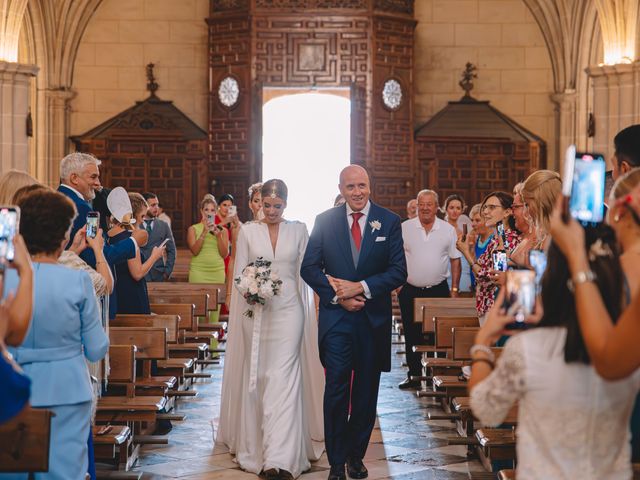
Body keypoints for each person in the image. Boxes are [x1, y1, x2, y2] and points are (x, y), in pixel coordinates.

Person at [468, 225, 640, 480]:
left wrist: (483, 343)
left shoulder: (530, 347)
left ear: (550, 279)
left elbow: (486, 409)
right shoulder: (627, 350)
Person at [301, 165, 407, 480]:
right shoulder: (325, 221)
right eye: (350, 187)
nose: (357, 192)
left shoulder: (389, 221)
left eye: (362, 185)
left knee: (365, 391)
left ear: (370, 186)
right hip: (337, 320)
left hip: (372, 321)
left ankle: (355, 456)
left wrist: (360, 287)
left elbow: (398, 271)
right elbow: (309, 268)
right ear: (341, 188)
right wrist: (338, 296)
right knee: (335, 388)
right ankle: (335, 461)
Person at [217, 179, 324, 479]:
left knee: (284, 378)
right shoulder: (248, 231)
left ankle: (283, 458)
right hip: (258, 312)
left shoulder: (299, 230)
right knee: (261, 377)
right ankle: (260, 450)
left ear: (286, 204)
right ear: (259, 203)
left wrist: (319, 302)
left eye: (277, 206)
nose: (272, 211)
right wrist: (250, 289)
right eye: (267, 206)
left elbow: (309, 270)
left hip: (290, 311)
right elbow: (240, 273)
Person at [3, 189, 109, 479]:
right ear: (64, 236)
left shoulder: (6, 279)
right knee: (64, 473)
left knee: (11, 470)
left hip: (12, 385)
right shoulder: (77, 281)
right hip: (66, 388)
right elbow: (96, 349)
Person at [397, 189, 462, 390]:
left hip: (438, 289)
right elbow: (395, 257)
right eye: (421, 204)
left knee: (438, 335)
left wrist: (454, 289)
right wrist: (399, 286)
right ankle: (414, 375)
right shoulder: (404, 227)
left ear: (436, 206)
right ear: (416, 206)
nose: (425, 208)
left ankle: (438, 376)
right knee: (411, 333)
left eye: (429, 204)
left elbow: (455, 260)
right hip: (410, 289)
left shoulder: (447, 230)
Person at [57, 152, 136, 268]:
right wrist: (134, 242)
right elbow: (96, 255)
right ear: (74, 178)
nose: (98, 183)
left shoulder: (55, 199)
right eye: (93, 177)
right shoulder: (83, 209)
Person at [456, 192, 519, 321]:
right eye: (485, 207)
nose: (485, 212)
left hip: (497, 307)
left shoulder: (509, 239)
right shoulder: (497, 239)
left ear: (507, 212)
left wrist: (466, 253)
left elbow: (491, 277)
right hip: (486, 306)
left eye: (491, 207)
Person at [107, 188, 165, 315]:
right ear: (132, 215)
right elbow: (137, 273)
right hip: (132, 295)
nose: (143, 220)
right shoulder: (131, 238)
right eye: (142, 216)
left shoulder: (109, 234)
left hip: (116, 293)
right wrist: (155, 256)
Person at [187, 195, 229, 326]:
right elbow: (195, 251)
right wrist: (205, 232)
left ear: (216, 212)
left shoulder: (223, 230)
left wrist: (218, 236)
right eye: (206, 210)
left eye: (212, 210)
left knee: (214, 311)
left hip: (216, 272)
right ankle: (196, 342)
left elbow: (224, 254)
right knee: (197, 310)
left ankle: (213, 345)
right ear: (201, 211)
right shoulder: (193, 229)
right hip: (198, 272)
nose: (209, 213)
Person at [521, 169, 562, 250]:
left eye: (527, 204)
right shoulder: (548, 234)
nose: (526, 212)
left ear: (540, 202)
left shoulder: (558, 237)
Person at [140, 192, 176, 282]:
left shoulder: (163, 225)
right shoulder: (135, 225)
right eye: (153, 205)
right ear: (144, 206)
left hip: (158, 274)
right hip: (139, 274)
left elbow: (171, 250)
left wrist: (167, 272)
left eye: (157, 205)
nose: (157, 208)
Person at [443, 194, 472, 293]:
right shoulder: (440, 228)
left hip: (463, 271)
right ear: (446, 209)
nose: (455, 211)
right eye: (451, 207)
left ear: (462, 210)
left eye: (458, 208)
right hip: (444, 271)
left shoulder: (465, 231)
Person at [467, 203, 493, 290]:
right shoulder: (476, 240)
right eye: (472, 220)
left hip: (489, 291)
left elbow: (488, 276)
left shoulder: (494, 242)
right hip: (475, 290)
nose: (473, 224)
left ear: (487, 220)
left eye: (477, 220)